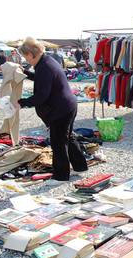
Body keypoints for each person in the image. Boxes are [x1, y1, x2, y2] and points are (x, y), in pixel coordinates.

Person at [17, 37, 87, 184]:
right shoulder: (47, 61)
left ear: (31, 54)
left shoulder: (44, 66)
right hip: (68, 105)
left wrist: (23, 102)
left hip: (60, 109)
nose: (26, 60)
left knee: (58, 142)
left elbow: (42, 95)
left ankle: (61, 176)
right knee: (68, 137)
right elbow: (43, 80)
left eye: (25, 56)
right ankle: (80, 166)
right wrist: (26, 73)